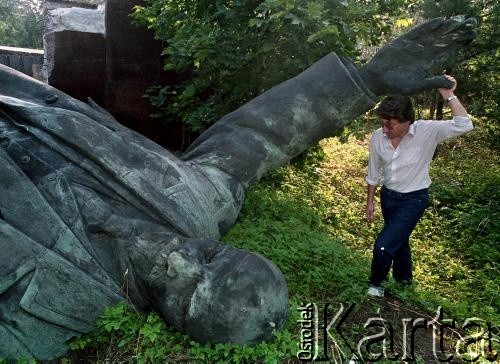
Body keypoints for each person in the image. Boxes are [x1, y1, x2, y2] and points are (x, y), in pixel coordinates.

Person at [0, 17, 475, 359]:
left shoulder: (38, 327)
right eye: (209, 256)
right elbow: (258, 137)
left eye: (184, 298)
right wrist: (366, 81)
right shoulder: (198, 202)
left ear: (178, 326)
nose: (180, 260)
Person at [365, 76, 473, 297]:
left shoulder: (427, 131)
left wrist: (447, 95)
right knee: (400, 239)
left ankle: (376, 284)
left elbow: (465, 124)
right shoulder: (378, 137)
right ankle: (404, 282)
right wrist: (370, 203)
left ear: (407, 120)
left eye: (390, 124)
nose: (385, 129)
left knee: (384, 245)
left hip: (413, 200)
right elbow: (373, 172)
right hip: (389, 198)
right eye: (382, 123)